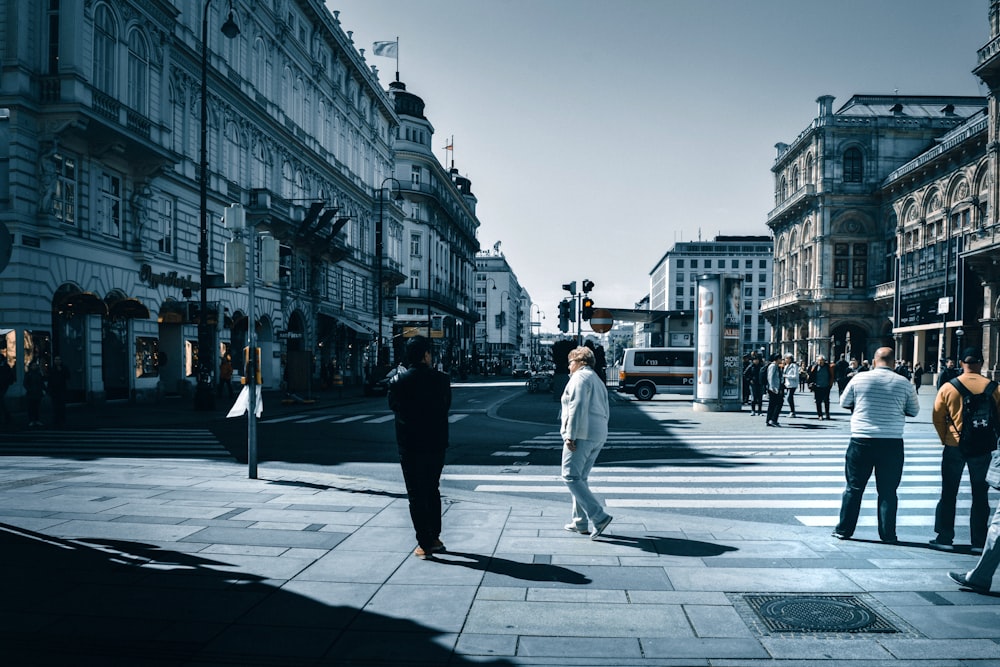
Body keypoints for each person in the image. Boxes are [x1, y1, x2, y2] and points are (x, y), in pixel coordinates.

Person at [832, 347, 920, 543]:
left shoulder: (859, 378)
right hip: (892, 442)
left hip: (861, 439)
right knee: (888, 491)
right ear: (894, 362)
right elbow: (913, 411)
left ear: (874, 361)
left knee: (854, 488)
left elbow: (844, 402)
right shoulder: (904, 383)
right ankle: (888, 534)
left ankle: (844, 530)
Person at [387, 336, 452, 560]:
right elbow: (446, 407)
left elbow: (394, 407)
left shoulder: (397, 381)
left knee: (415, 494)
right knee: (432, 489)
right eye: (430, 353)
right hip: (435, 443)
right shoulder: (442, 380)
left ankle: (423, 543)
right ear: (425, 355)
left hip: (409, 444)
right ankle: (434, 537)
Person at [929, 347, 1000, 551]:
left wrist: (946, 437)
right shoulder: (994, 387)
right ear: (981, 363)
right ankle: (978, 541)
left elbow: (937, 416)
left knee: (949, 492)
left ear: (961, 363)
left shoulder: (949, 387)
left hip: (954, 445)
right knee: (980, 494)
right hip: (983, 447)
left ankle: (944, 537)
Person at [560, 345, 613, 539]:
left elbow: (577, 405)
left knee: (570, 476)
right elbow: (606, 408)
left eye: (570, 362)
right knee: (580, 478)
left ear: (580, 362)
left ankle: (598, 516)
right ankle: (579, 522)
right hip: (598, 433)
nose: (569, 367)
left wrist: (570, 435)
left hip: (582, 433)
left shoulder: (580, 377)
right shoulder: (596, 379)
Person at [808, 354, 835, 420]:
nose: (820, 362)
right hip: (817, 386)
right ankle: (820, 415)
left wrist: (830, 384)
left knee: (826, 401)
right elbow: (810, 376)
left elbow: (831, 376)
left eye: (821, 360)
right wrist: (810, 384)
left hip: (826, 386)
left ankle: (827, 414)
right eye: (819, 360)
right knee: (818, 401)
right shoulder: (815, 367)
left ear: (824, 361)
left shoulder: (828, 367)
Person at [46, 356, 70, 428]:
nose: (57, 361)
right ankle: (56, 419)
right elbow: (50, 379)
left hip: (62, 389)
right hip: (54, 390)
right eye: (56, 360)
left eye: (59, 359)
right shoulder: (52, 369)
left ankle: (62, 419)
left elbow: (68, 376)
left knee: (61, 405)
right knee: (55, 406)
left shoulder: (64, 368)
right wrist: (49, 389)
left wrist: (62, 371)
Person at [23, 361, 45, 427]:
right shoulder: (29, 374)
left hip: (37, 392)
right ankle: (32, 420)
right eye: (33, 365)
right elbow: (25, 383)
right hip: (31, 393)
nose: (34, 367)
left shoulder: (38, 374)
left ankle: (36, 420)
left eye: (35, 365)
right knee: (31, 407)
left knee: (36, 407)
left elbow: (41, 383)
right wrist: (29, 389)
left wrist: (43, 389)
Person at [765, 354, 784, 427]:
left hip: (776, 387)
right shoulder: (772, 366)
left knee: (773, 404)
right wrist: (772, 388)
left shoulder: (777, 366)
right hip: (774, 389)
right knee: (777, 404)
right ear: (777, 359)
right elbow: (770, 377)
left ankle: (769, 420)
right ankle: (773, 419)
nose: (781, 360)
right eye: (780, 359)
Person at [783, 353, 800, 418]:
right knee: (790, 398)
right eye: (785, 358)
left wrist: (786, 376)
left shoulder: (794, 366)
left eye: (787, 358)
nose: (785, 360)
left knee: (789, 397)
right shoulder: (786, 366)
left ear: (790, 359)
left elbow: (795, 376)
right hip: (787, 384)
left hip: (792, 384)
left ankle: (792, 412)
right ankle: (792, 411)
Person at [0, 358, 13, 424]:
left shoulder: (6, 367)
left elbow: (9, 376)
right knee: (2, 402)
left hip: (3, 386)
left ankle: (7, 416)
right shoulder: (6, 367)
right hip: (3, 385)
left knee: (1, 401)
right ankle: (7, 416)